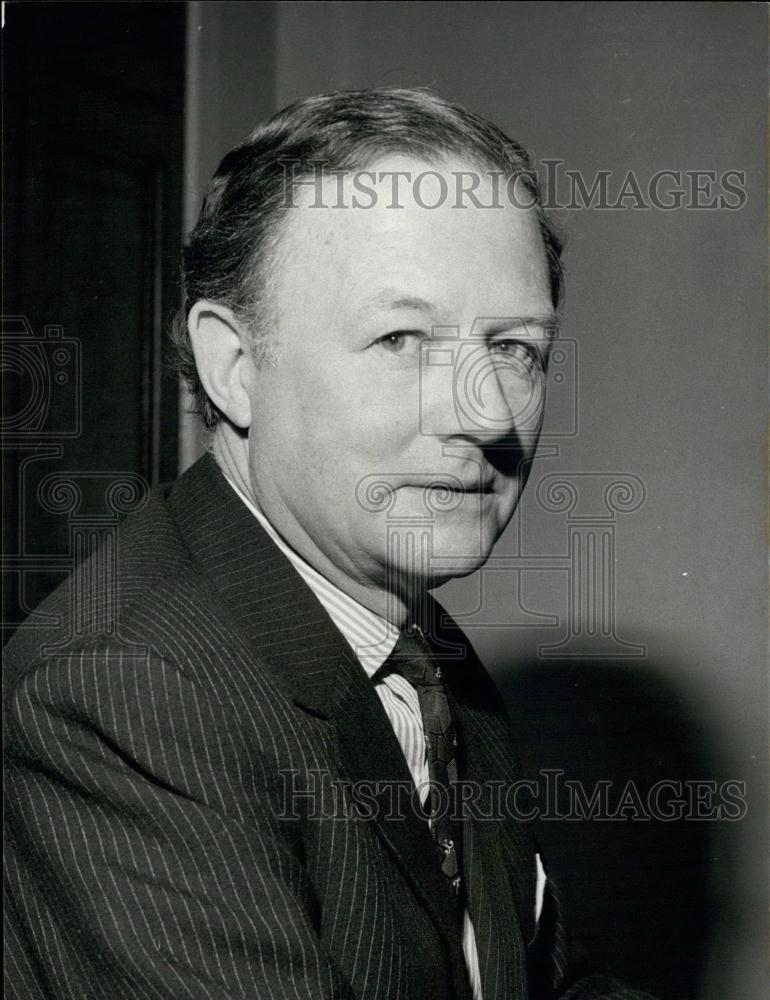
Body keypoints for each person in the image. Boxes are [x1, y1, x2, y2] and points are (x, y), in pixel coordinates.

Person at [5, 89, 657, 999]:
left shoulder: (417, 647)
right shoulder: (118, 693)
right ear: (235, 366)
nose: (489, 413)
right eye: (402, 338)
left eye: (515, 348)